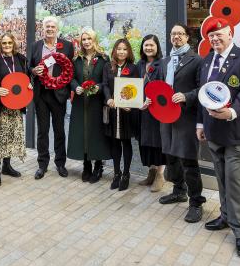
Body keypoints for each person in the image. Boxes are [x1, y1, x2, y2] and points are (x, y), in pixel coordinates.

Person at [196, 18, 240, 259]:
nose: (215, 39)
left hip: (237, 132)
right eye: (211, 36)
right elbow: (203, 96)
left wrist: (232, 111)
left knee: (235, 179)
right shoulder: (207, 61)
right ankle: (226, 216)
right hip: (214, 132)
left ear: (230, 33)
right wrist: (200, 123)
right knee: (222, 177)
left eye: (219, 34)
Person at [157, 23, 206, 223]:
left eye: (180, 34)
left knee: (188, 160)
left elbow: (202, 89)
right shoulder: (165, 61)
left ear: (187, 37)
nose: (176, 37)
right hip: (166, 117)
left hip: (186, 117)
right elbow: (158, 86)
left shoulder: (197, 60)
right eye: (173, 34)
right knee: (170, 156)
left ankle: (196, 203)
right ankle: (179, 190)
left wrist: (186, 96)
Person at [29, 16, 75, 179]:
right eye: (47, 26)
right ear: (43, 28)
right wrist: (34, 71)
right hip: (41, 94)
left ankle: (60, 163)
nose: (50, 29)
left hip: (59, 94)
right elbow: (29, 66)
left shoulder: (67, 46)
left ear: (57, 29)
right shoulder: (36, 46)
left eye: (52, 27)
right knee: (42, 130)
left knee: (59, 130)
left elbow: (71, 70)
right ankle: (42, 164)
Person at [0, 33, 30, 186]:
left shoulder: (21, 59)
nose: (7, 45)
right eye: (4, 43)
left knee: (9, 137)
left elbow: (27, 78)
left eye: (9, 43)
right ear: (0, 44)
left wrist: (29, 84)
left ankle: (6, 166)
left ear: (14, 43)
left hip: (15, 107)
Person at [68, 28, 111, 183]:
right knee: (83, 132)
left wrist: (98, 87)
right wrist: (75, 87)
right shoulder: (76, 59)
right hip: (80, 102)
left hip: (96, 103)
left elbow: (107, 80)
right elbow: (70, 78)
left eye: (89, 39)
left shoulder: (104, 59)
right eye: (83, 39)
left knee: (96, 133)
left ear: (94, 40)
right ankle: (86, 165)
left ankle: (98, 166)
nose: (86, 42)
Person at [104, 38, 139, 191]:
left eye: (125, 49)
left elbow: (136, 88)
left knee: (126, 142)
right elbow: (105, 84)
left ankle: (126, 174)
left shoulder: (133, 68)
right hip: (112, 110)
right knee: (114, 142)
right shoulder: (108, 66)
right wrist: (108, 99)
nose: (121, 52)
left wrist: (130, 104)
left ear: (128, 51)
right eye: (119, 49)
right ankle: (116, 173)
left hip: (126, 112)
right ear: (115, 50)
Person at [136, 34, 167, 192]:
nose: (148, 48)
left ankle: (160, 175)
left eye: (151, 45)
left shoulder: (162, 64)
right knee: (146, 143)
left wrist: (152, 100)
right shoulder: (139, 64)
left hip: (157, 111)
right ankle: (152, 172)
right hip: (142, 111)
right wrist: (137, 103)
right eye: (146, 45)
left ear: (157, 47)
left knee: (158, 143)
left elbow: (165, 88)